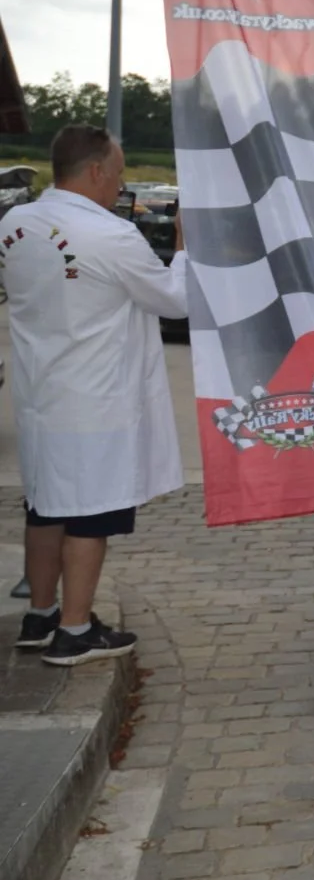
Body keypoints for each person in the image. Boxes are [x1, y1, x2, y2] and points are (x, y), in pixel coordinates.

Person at [5, 125, 188, 666]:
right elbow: (173, 300)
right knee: (89, 514)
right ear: (96, 172)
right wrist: (184, 247)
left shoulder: (15, 223)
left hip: (40, 392)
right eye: (120, 172)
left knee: (45, 508)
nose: (122, 183)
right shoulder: (109, 235)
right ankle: (76, 629)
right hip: (96, 400)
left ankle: (40, 615)